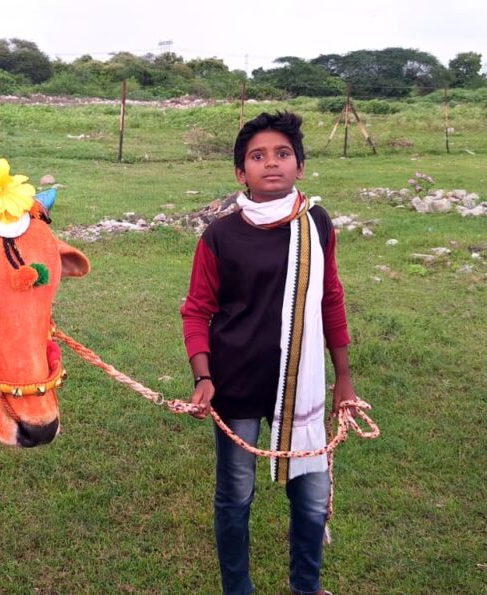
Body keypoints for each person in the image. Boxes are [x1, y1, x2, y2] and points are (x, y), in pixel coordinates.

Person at [180, 111, 355, 595]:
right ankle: (237, 589)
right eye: (257, 156)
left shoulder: (316, 224)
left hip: (304, 384)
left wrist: (343, 377)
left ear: (300, 165)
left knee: (312, 494)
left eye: (282, 153)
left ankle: (306, 586)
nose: (271, 163)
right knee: (236, 495)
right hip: (236, 382)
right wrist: (203, 376)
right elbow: (196, 311)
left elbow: (331, 297)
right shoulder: (219, 236)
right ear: (241, 173)